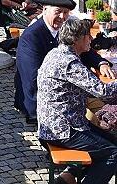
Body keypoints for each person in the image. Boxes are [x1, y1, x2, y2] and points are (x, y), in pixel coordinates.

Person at [37, 18, 117, 184]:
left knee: (112, 142)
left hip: (61, 123)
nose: (91, 39)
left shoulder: (57, 53)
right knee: (112, 153)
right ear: (76, 39)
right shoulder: (69, 62)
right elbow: (103, 92)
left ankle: (67, 177)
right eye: (88, 36)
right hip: (63, 129)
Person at [15, 0, 114, 124]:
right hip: (44, 102)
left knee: (107, 104)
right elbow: (34, 79)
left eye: (66, 12)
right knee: (102, 118)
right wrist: (81, 85)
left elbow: (83, 48)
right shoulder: (31, 37)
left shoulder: (64, 27)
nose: (62, 16)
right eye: (58, 11)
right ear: (45, 10)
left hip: (69, 93)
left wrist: (101, 62)